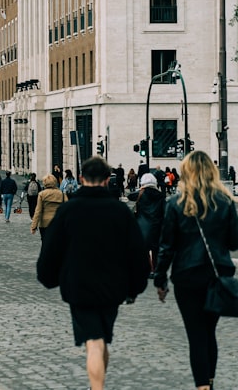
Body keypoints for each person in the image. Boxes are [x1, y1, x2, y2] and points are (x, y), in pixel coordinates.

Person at [37, 156, 150, 390]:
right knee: (101, 338)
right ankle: (96, 385)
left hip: (79, 285)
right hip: (113, 287)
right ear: (108, 180)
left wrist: (48, 277)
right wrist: (135, 287)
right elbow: (137, 253)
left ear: (81, 179)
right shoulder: (120, 211)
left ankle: (96, 388)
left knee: (95, 341)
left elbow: (52, 249)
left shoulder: (69, 210)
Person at [153, 150, 238, 390]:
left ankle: (202, 385)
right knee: (209, 331)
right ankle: (209, 382)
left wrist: (160, 278)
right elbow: (235, 242)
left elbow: (166, 247)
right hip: (216, 276)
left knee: (196, 334)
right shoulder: (224, 202)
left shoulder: (175, 204)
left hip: (187, 276)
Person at [128, 172, 165, 273]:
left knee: (144, 248)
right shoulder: (160, 195)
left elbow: (130, 196)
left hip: (143, 224)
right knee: (156, 249)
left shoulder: (141, 193)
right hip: (157, 225)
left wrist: (140, 189)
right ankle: (155, 268)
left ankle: (148, 268)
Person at [30, 174, 65, 242]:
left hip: (44, 223)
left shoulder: (42, 194)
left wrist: (34, 226)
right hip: (58, 222)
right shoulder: (62, 194)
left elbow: (38, 211)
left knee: (45, 242)